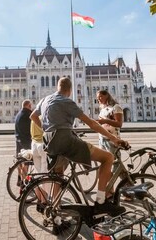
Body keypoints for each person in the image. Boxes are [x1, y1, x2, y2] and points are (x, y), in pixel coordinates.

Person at [30, 77, 128, 217]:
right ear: (69, 90)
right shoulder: (67, 101)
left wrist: (45, 129)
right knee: (108, 158)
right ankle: (101, 202)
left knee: (58, 176)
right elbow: (92, 124)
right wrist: (114, 139)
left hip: (49, 142)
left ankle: (55, 214)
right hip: (65, 140)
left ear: (58, 87)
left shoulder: (45, 99)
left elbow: (33, 116)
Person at [14, 100, 33, 187]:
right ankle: (23, 182)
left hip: (18, 141)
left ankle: (19, 179)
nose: (31, 108)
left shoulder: (18, 115)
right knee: (26, 162)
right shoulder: (28, 114)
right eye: (31, 106)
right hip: (26, 141)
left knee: (20, 161)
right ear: (28, 105)